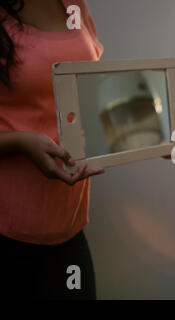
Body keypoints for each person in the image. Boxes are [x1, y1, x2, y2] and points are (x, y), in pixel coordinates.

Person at [0, 0, 104, 299]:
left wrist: (150, 138)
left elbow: (90, 91)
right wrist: (20, 142)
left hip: (68, 228)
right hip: (7, 235)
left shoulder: (74, 5)